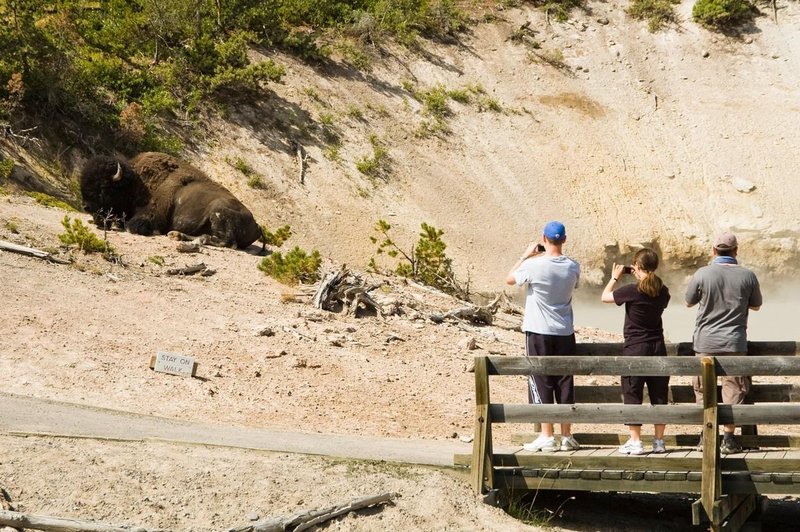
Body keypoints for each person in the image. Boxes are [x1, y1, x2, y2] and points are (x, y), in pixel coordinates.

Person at [506, 221, 581, 452]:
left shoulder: (535, 266)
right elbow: (575, 286)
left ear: (544, 239)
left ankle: (547, 435)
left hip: (538, 330)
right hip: (564, 331)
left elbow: (510, 279)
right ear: (565, 239)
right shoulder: (573, 267)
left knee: (541, 380)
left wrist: (525, 255)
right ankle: (566, 435)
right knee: (565, 381)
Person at [685, 232, 762, 454]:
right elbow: (756, 306)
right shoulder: (748, 275)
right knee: (734, 388)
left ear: (713, 250)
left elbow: (689, 302)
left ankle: (706, 436)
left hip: (705, 341)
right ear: (736, 251)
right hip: (734, 342)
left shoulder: (702, 273)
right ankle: (728, 438)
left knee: (703, 389)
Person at [601, 249, 671, 455]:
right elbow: (655, 292)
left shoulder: (632, 290)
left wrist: (615, 277)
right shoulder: (663, 291)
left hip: (635, 348)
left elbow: (605, 297)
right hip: (658, 347)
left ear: (637, 267)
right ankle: (659, 441)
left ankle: (636, 441)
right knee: (659, 394)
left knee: (633, 392)